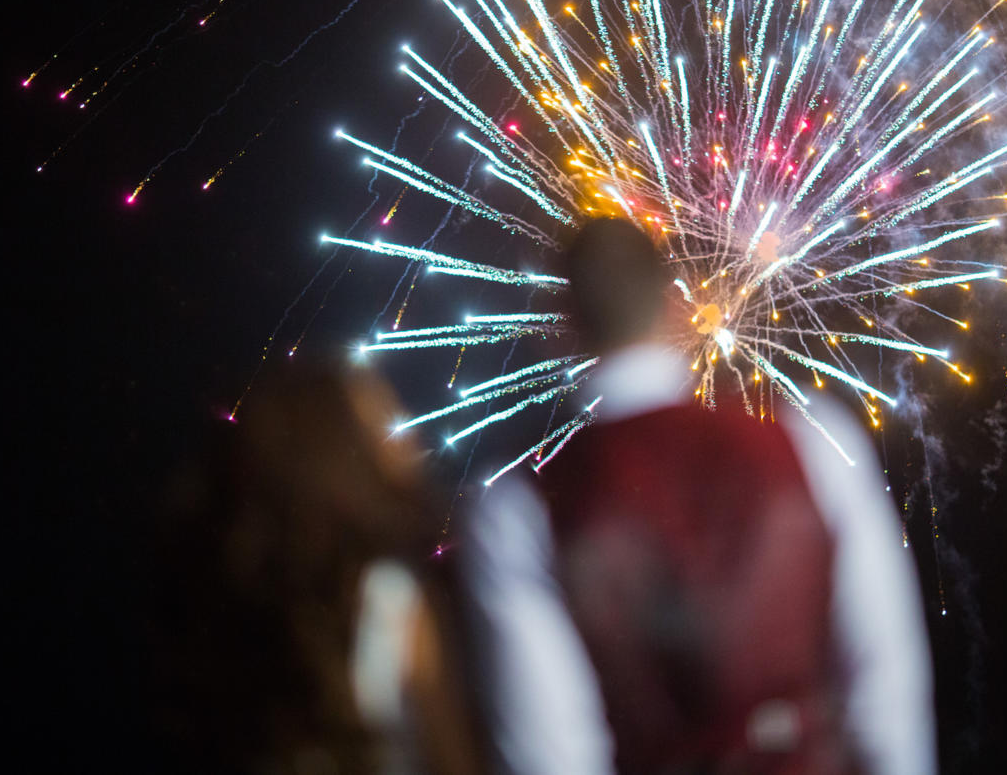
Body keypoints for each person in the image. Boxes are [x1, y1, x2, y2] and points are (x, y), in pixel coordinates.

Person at [463, 218, 936, 775]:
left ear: (562, 326)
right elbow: (887, 683)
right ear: (674, 306)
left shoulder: (517, 511)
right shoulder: (813, 439)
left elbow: (551, 755)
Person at [153, 361, 482, 775]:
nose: (412, 434)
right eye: (386, 421)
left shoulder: (230, 611)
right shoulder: (392, 600)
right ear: (336, 452)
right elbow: (448, 755)